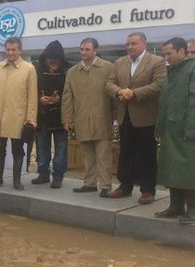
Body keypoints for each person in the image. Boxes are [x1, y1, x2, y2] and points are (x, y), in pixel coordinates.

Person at [105, 32, 167, 204]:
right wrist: (119, 91)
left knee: (146, 154)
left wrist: (134, 93)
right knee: (125, 153)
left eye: (133, 43)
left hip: (146, 117)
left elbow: (159, 85)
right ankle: (125, 187)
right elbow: (109, 83)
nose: (130, 47)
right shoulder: (119, 62)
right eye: (128, 44)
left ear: (144, 44)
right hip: (124, 117)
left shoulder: (157, 61)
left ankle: (148, 190)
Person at [62, 38, 115, 197]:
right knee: (87, 155)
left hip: (103, 119)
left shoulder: (108, 68)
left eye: (87, 49)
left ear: (95, 50)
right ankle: (89, 183)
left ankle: (105, 186)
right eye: (81, 49)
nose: (83, 53)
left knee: (104, 155)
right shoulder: (72, 72)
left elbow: (114, 94)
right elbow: (67, 97)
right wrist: (67, 118)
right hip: (82, 119)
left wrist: (117, 117)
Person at [0, 37, 37, 190]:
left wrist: (31, 119)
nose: (10, 52)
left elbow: (32, 96)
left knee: (18, 150)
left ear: (20, 50)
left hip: (18, 118)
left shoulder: (29, 69)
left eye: (13, 49)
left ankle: (17, 180)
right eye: (8, 49)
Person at [154, 37, 195, 224]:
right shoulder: (171, 71)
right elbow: (164, 103)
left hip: (186, 131)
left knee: (188, 170)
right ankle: (175, 206)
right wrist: (159, 128)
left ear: (182, 51)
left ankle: (192, 210)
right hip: (171, 129)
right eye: (164, 54)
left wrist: (192, 128)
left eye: (169, 53)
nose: (166, 57)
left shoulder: (192, 69)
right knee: (171, 167)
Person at [32, 40, 71, 189]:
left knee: (61, 148)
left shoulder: (68, 71)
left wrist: (59, 99)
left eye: (57, 59)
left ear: (61, 59)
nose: (53, 61)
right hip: (42, 116)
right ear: (45, 58)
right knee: (42, 147)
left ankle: (58, 176)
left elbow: (71, 94)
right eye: (50, 58)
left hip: (61, 117)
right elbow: (30, 91)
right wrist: (39, 99)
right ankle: (43, 174)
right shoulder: (36, 70)